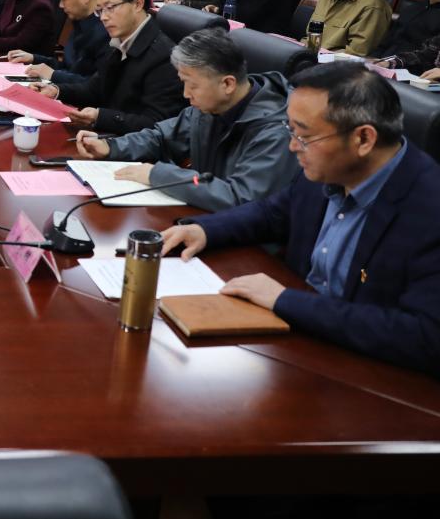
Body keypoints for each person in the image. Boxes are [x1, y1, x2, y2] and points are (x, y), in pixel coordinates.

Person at [161, 62, 440, 376]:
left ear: (363, 139)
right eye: (290, 130)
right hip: (294, 345)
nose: (293, 146)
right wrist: (204, 230)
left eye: (304, 135)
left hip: (367, 375)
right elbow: (272, 213)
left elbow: (424, 337)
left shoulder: (429, 208)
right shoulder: (328, 167)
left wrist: (285, 301)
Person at [75, 29, 295, 211]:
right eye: (184, 83)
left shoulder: (276, 131)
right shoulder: (210, 106)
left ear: (227, 84)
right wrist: (110, 147)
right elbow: (161, 137)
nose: (186, 94)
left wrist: (158, 175)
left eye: (193, 86)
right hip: (205, 216)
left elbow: (241, 197)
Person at [35, 0, 186, 135]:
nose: (103, 17)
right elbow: (94, 89)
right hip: (106, 134)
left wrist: (100, 117)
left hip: (128, 143)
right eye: (100, 10)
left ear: (138, 4)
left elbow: (156, 124)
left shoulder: (164, 57)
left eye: (110, 8)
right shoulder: (117, 43)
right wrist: (57, 90)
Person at [16, 0, 110, 86]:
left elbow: (94, 86)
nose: (60, 5)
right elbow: (68, 66)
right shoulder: (80, 21)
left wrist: (53, 75)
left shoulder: (106, 30)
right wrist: (34, 58)